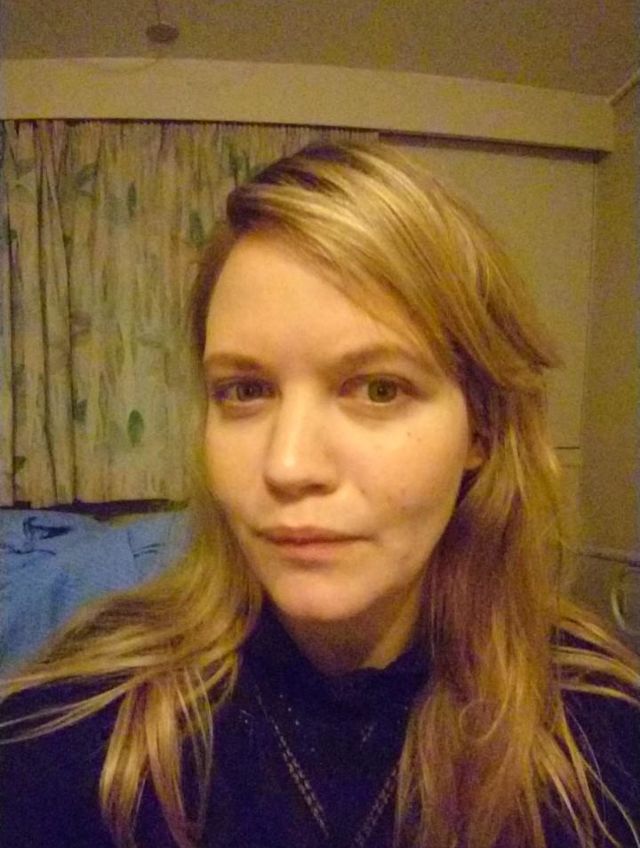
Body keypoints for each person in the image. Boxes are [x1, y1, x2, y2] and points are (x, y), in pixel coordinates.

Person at [1, 142, 639, 848]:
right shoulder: (79, 725)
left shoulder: (602, 734)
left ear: (481, 427)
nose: (288, 464)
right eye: (245, 390)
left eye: (379, 388)